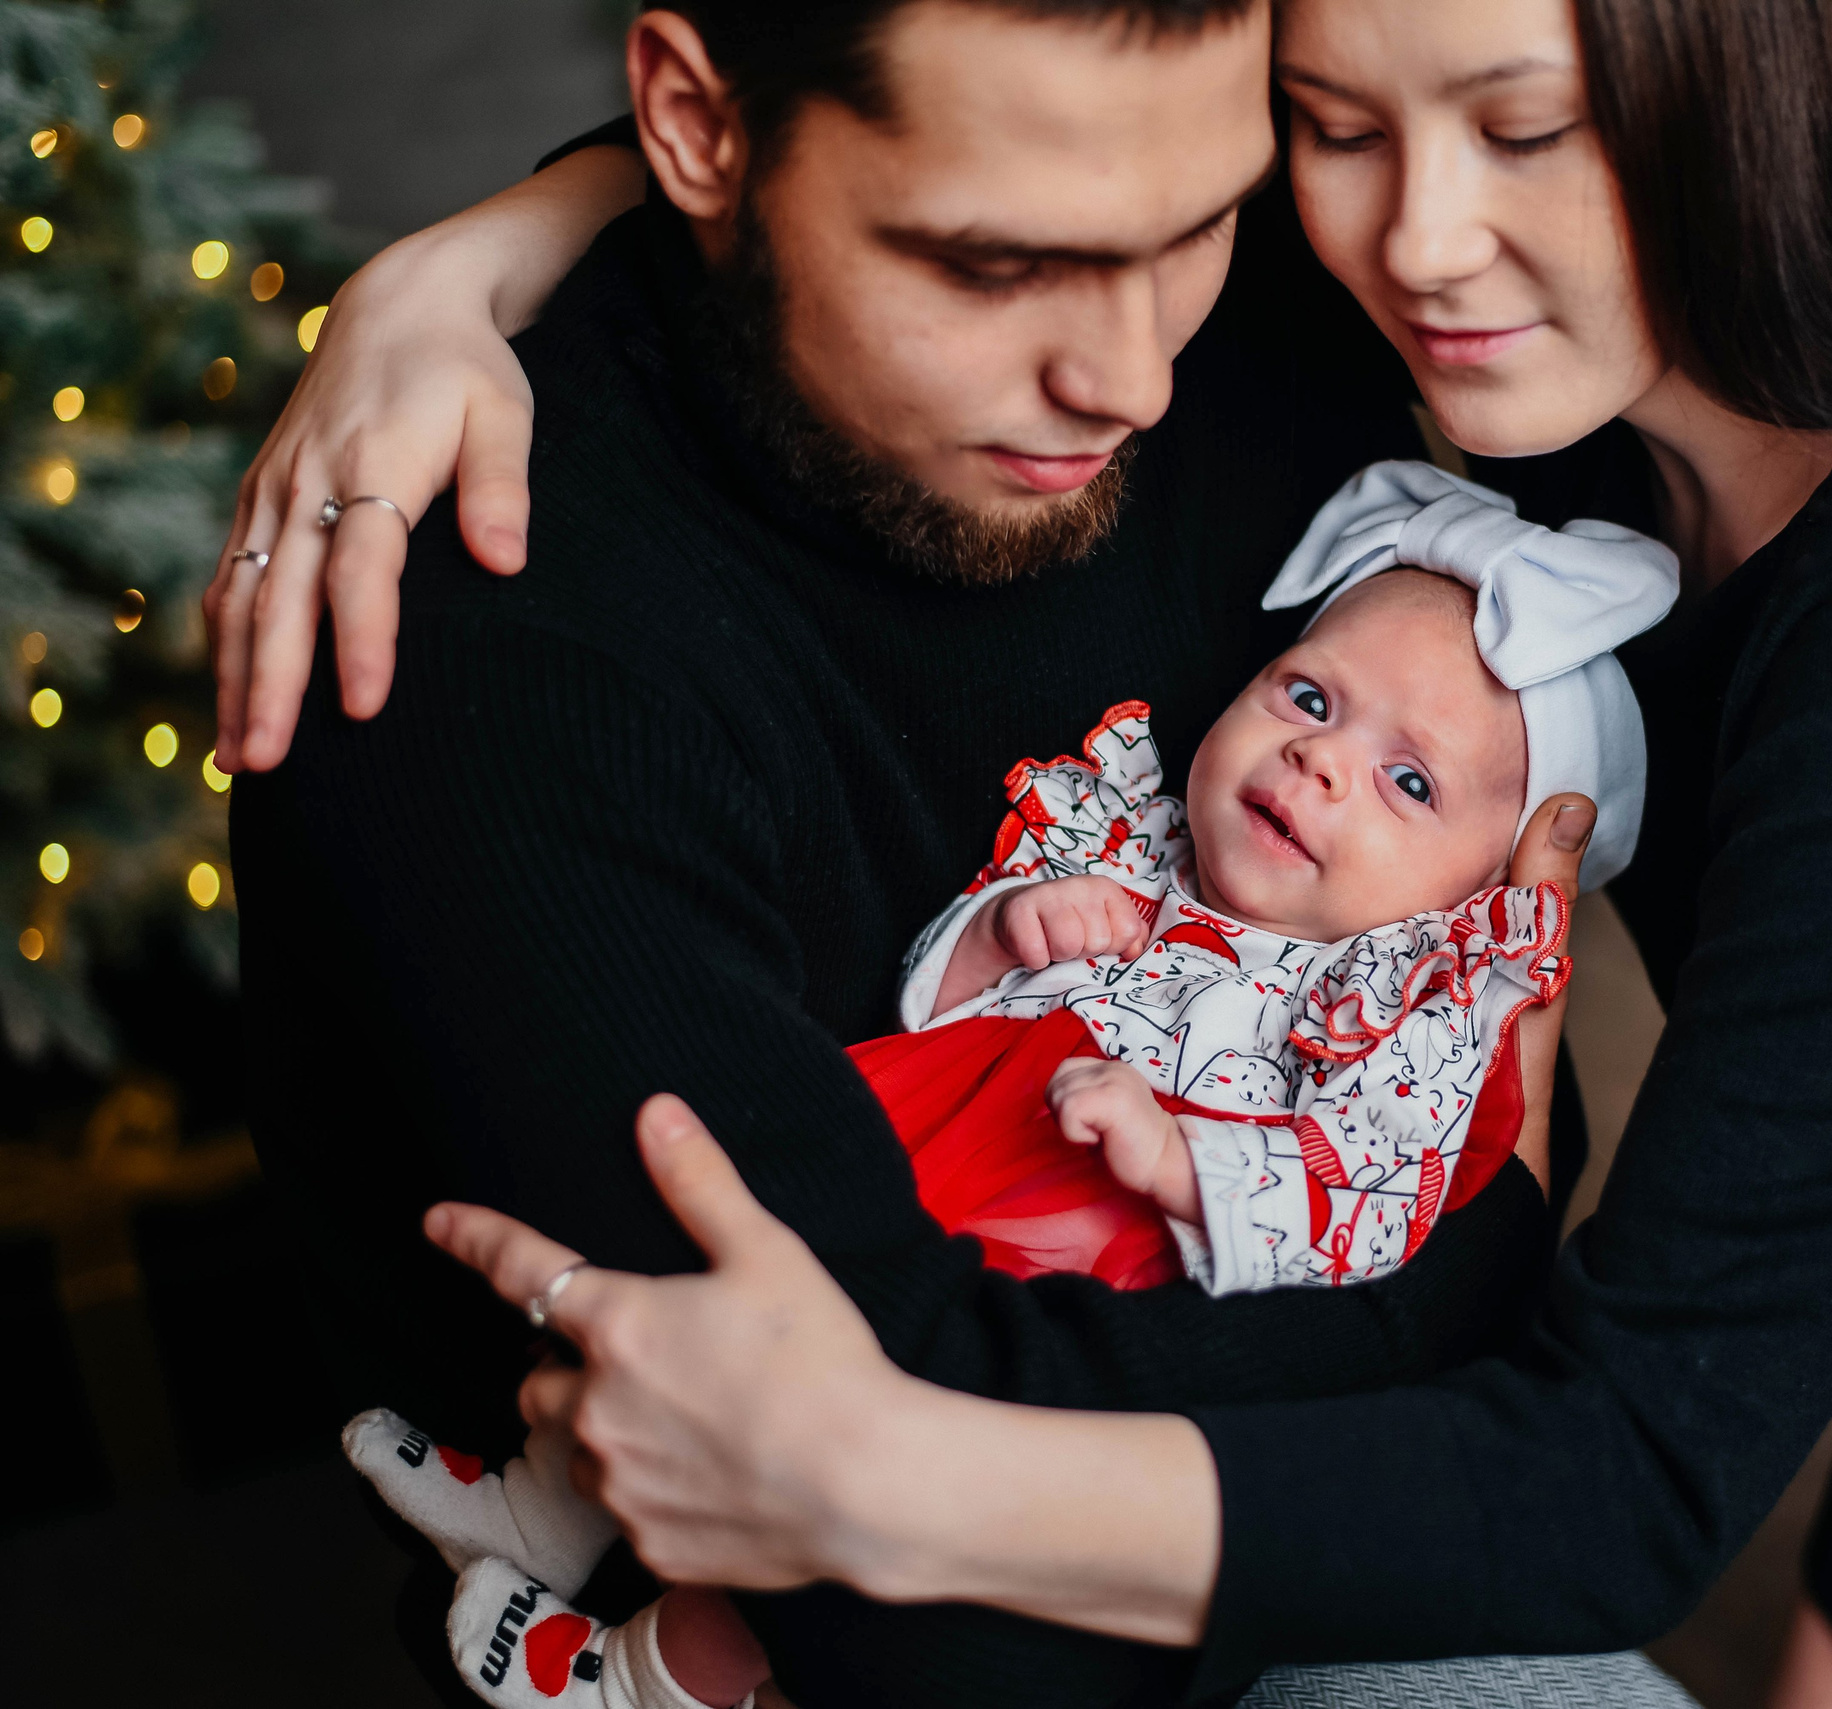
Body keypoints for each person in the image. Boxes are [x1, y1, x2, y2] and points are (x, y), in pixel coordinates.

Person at [228, 1, 1832, 1707]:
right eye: (1326, 129)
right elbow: (979, 87)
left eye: (1522, 127)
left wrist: (880, 1481)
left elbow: (1621, 1473)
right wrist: (483, 255)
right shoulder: (1508, 382)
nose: (1418, 239)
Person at [224, 5, 1634, 1708]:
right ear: (692, 125)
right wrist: (1480, 1225)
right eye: (993, 265)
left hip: (1283, 1524)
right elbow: (940, 1624)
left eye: (1197, 223)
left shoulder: (1266, 316)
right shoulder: (492, 657)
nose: (1131, 377)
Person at [340, 500, 1676, 1709]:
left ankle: (637, 1680)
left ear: (1481, 903)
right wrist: (1013, 931)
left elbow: (1366, 1202)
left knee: (835, 1482)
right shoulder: (1134, 843)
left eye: (1410, 781)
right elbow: (936, 1001)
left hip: (1088, 1272)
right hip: (921, 1147)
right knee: (712, 1284)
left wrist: (1186, 1157)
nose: (1321, 764)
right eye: (1309, 698)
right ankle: (539, 1506)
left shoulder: (1397, 1018)